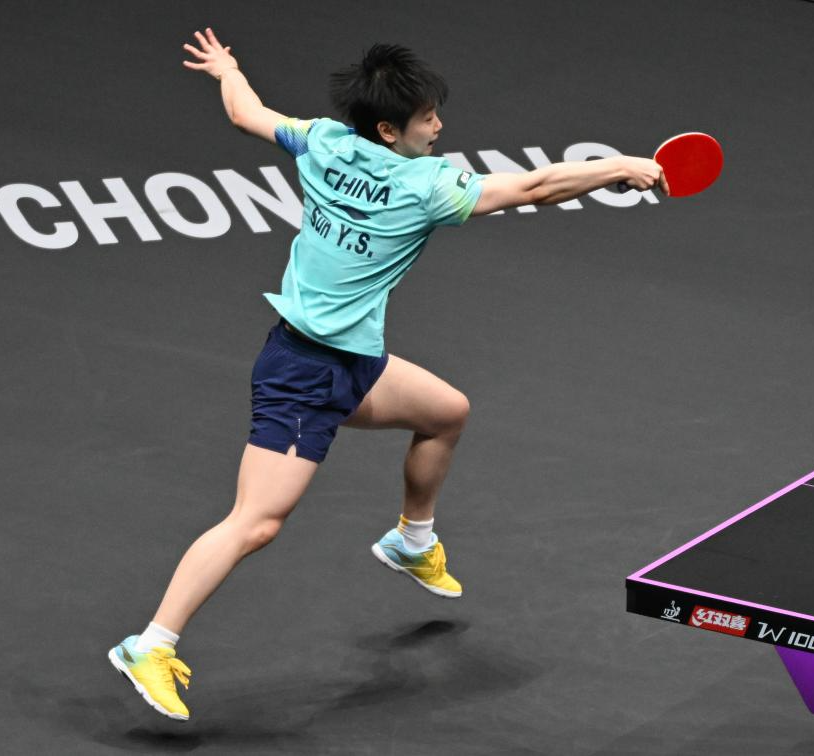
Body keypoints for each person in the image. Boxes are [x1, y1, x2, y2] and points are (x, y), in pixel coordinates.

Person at [108, 27, 667, 721]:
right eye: (427, 118)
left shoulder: (323, 142)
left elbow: (246, 113)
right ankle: (150, 645)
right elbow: (537, 185)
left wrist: (227, 70)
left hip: (355, 363)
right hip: (304, 376)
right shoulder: (426, 186)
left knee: (446, 412)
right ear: (388, 129)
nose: (438, 127)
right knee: (255, 522)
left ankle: (411, 541)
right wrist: (619, 166)